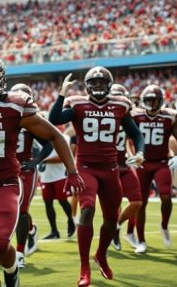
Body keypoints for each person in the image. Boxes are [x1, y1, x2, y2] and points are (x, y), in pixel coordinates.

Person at [0, 53, 83, 287]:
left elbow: (55, 135)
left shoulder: (14, 105)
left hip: (5, 184)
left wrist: (72, 172)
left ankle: (12, 272)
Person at [49, 67, 145, 286]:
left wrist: (140, 153)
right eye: (95, 83)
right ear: (88, 86)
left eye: (103, 83)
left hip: (111, 168)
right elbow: (55, 119)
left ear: (109, 85)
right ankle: (84, 267)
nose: (99, 87)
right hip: (85, 167)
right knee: (88, 209)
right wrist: (62, 93)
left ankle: (100, 254)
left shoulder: (120, 105)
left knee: (112, 218)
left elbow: (136, 133)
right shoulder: (78, 103)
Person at [131, 84, 177, 253]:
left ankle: (164, 226)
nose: (152, 104)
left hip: (161, 162)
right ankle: (141, 240)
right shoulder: (135, 116)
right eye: (149, 100)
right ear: (143, 101)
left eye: (155, 101)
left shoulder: (169, 116)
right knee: (141, 203)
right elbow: (125, 136)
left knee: (166, 196)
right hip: (142, 163)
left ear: (161, 101)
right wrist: (130, 153)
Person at [9, 83, 53, 267]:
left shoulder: (33, 119)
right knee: (7, 209)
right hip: (4, 168)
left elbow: (49, 143)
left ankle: (19, 252)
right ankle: (32, 230)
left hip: (25, 169)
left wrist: (35, 161)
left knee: (22, 210)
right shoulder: (2, 114)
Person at [107, 84, 143, 252]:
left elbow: (132, 137)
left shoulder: (130, 116)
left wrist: (133, 153)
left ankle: (117, 226)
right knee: (114, 204)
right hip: (109, 165)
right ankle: (114, 231)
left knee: (136, 201)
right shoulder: (103, 115)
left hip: (124, 163)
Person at [37, 130, 76, 240]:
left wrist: (42, 160)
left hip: (59, 175)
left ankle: (71, 221)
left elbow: (62, 157)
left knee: (62, 201)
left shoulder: (63, 137)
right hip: (46, 175)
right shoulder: (39, 137)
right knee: (48, 203)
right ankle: (54, 231)